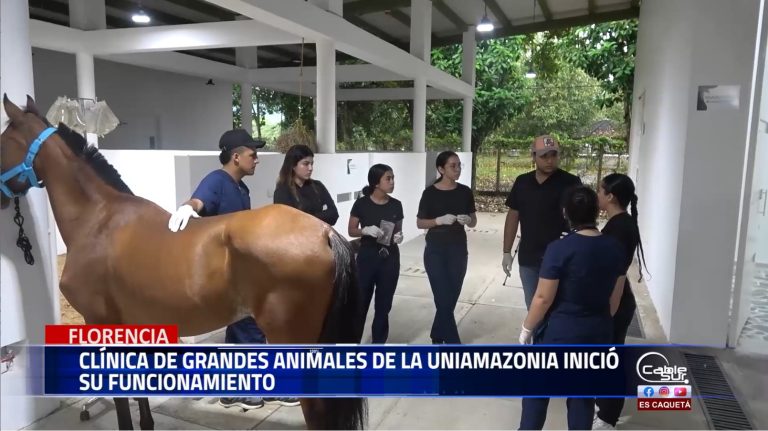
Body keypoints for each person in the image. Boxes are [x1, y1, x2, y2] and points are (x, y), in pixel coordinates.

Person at [167, 129, 298, 409]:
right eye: (253, 154)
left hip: (240, 272)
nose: (257, 159)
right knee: (248, 326)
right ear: (236, 157)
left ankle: (243, 387)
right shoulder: (217, 181)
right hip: (223, 276)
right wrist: (187, 208)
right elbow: (199, 200)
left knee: (250, 328)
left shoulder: (241, 188)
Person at [517, 186, 626, 430]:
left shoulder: (559, 249)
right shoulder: (615, 249)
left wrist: (527, 328)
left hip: (560, 333)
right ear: (596, 211)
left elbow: (543, 298)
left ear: (566, 212)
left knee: (537, 390)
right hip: (597, 333)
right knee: (582, 395)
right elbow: (614, 301)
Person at [593, 173, 648, 430]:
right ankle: (605, 407)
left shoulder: (619, 228)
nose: (597, 195)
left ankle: (608, 417)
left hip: (616, 301)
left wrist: (609, 311)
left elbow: (616, 275)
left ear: (610, 196)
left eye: (600, 191)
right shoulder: (620, 223)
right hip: (614, 299)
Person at [502, 135, 582, 309]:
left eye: (553, 155)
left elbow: (581, 218)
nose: (549, 161)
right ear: (533, 156)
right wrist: (506, 251)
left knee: (557, 309)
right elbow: (513, 216)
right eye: (544, 156)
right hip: (529, 256)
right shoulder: (522, 182)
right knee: (533, 308)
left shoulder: (571, 183)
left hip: (561, 258)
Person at [416, 151, 477, 344]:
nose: (457, 169)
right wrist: (438, 221)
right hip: (435, 249)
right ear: (441, 169)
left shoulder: (465, 192)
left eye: (459, 165)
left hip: (458, 248)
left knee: (451, 295)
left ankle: (437, 333)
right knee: (442, 294)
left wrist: (469, 220)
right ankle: (453, 345)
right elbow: (420, 223)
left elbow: (473, 221)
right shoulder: (430, 193)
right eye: (453, 166)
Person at [348, 164, 404, 343]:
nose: (392, 182)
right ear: (376, 183)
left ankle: (378, 346)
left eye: (393, 177)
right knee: (360, 304)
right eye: (388, 178)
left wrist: (398, 236)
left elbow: (398, 230)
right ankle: (352, 345)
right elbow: (351, 230)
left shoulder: (396, 205)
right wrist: (365, 230)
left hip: (390, 260)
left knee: (383, 306)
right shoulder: (362, 204)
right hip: (367, 259)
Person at [273, 144, 338, 226]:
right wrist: (321, 216)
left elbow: (334, 214)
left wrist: (304, 218)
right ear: (293, 165)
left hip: (320, 236)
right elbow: (289, 223)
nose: (310, 168)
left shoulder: (318, 186)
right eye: (306, 164)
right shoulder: (283, 191)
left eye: (312, 164)